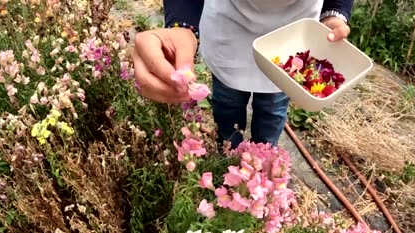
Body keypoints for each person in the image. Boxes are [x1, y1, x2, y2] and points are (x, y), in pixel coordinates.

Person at [133, 0, 353, 149]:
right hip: (231, 23)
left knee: (274, 108)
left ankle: (263, 161)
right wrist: (182, 24)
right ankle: (229, 151)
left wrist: (335, 12)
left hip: (292, 33)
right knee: (227, 103)